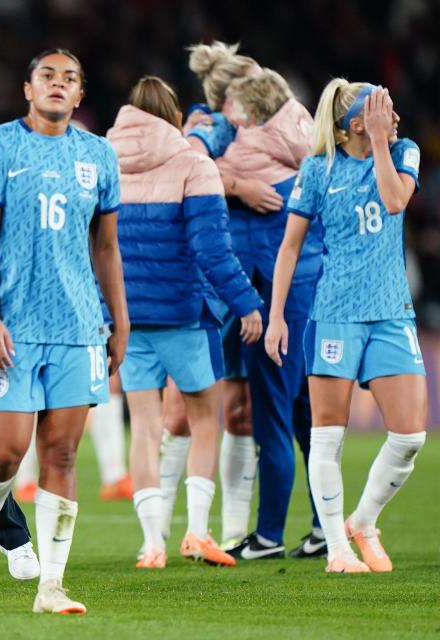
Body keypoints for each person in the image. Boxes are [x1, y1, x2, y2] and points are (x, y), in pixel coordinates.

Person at [0, 49, 129, 614]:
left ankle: (51, 585)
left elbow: (106, 247)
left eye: (70, 79)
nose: (58, 85)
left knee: (61, 453)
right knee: (5, 453)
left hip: (79, 326)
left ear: (80, 95)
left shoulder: (98, 155)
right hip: (12, 328)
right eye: (47, 77)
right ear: (27, 89)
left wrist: (119, 320)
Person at [266, 81, 426, 573]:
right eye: (381, 109)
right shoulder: (317, 170)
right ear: (354, 121)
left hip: (391, 312)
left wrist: (381, 143)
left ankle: (363, 520)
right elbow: (290, 247)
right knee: (327, 437)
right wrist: (275, 317)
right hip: (334, 313)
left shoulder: (402, 152)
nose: (392, 116)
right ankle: (337, 548)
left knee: (409, 438)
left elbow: (396, 201)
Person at [108, 76, 263, 569]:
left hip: (129, 319)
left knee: (147, 429)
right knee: (202, 422)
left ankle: (152, 543)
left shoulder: (102, 160)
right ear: (175, 117)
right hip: (183, 316)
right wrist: (247, 302)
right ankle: (197, 532)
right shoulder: (191, 162)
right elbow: (212, 249)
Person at [156, 41, 266, 548]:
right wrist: (241, 186)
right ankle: (158, 532)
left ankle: (233, 531)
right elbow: (186, 165)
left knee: (239, 409)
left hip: (248, 281)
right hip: (208, 286)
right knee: (180, 409)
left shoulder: (259, 134)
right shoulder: (207, 124)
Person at [213, 70, 323, 560]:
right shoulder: (303, 156)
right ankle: (325, 528)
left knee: (275, 412)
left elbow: (195, 165)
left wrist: (235, 184)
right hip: (308, 296)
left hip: (276, 304)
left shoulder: (253, 158)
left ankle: (270, 536)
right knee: (303, 413)